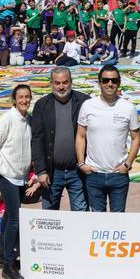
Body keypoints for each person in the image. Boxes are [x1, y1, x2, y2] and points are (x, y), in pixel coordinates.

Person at [0, 84, 35, 279]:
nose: (24, 100)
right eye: (21, 97)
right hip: (6, 175)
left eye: (27, 97)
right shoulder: (6, 119)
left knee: (8, 217)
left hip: (20, 175)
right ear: (14, 99)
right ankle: (8, 264)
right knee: (15, 218)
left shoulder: (28, 120)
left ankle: (3, 253)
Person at [76, 64, 140, 213]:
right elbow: (80, 136)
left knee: (118, 219)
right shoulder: (88, 106)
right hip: (94, 174)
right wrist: (81, 163)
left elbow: (136, 138)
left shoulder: (128, 107)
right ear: (99, 83)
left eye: (113, 80)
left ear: (119, 83)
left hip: (118, 175)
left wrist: (128, 164)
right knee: (97, 220)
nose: (109, 84)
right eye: (105, 80)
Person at [30, 66, 91, 211]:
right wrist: (40, 171)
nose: (61, 87)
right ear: (51, 83)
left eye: (65, 82)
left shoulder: (84, 102)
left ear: (71, 82)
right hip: (52, 172)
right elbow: (37, 139)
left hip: (77, 171)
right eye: (57, 83)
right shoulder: (42, 105)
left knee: (81, 213)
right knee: (50, 217)